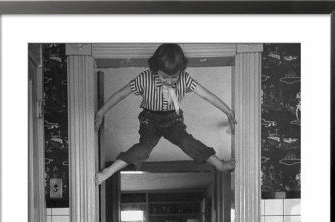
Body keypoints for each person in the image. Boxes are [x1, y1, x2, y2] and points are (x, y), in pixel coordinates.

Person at [95, 43, 236, 184]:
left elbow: (207, 95)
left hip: (173, 121)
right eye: (164, 77)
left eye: (174, 77)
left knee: (186, 142)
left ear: (181, 70)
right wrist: (101, 112)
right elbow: (120, 94)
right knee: (143, 149)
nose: (169, 81)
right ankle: (108, 172)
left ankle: (219, 164)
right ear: (156, 68)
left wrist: (228, 112)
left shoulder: (185, 79)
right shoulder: (144, 78)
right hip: (149, 120)